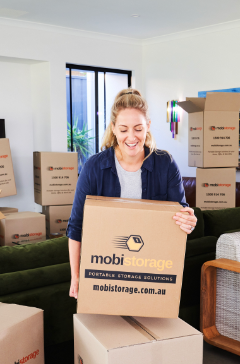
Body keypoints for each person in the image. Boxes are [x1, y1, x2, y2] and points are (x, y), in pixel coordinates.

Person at [66, 88, 198, 299]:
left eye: (138, 128)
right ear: (114, 129)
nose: (131, 137)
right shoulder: (93, 167)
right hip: (105, 266)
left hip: (151, 267)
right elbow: (76, 226)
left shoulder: (166, 164)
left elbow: (180, 213)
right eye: (124, 129)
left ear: (148, 127)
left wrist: (188, 221)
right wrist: (76, 276)